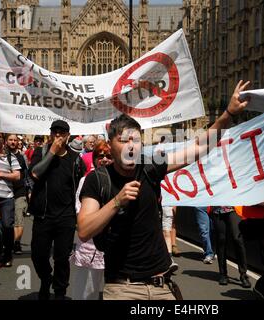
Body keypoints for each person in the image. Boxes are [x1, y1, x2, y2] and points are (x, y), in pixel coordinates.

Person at [78, 80, 251, 300]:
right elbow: (84, 230)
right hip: (123, 288)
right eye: (124, 140)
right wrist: (117, 202)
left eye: (136, 140)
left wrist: (228, 113)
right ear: (110, 144)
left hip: (161, 285)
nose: (131, 145)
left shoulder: (150, 167)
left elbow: (197, 147)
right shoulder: (98, 180)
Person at [29, 120, 85, 300]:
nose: (59, 135)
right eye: (55, 132)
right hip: (43, 216)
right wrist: (52, 151)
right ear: (51, 134)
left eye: (62, 132)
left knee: (62, 259)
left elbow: (80, 185)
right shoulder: (41, 152)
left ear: (68, 135)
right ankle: (46, 279)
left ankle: (60, 291)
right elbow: (35, 174)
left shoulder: (75, 159)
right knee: (38, 255)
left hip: (66, 217)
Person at [71, 141, 112, 300]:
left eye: (108, 156)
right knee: (86, 290)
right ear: (94, 159)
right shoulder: (85, 180)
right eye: (100, 156)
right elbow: (79, 207)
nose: (104, 159)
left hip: (113, 242)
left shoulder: (121, 182)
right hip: (90, 242)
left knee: (115, 287)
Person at [0, 132, 21, 269]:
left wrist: (0, 174)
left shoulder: (11, 157)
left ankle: (8, 254)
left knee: (7, 226)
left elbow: (17, 176)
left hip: (7, 198)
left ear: (3, 140)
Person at [209, 206, 251, 287]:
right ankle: (223, 274)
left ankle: (243, 275)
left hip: (234, 208)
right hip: (217, 209)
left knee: (237, 239)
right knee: (221, 239)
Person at [5, 134, 28, 255]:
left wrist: (29, 190)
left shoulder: (22, 156)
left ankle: (16, 243)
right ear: (6, 141)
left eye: (15, 140)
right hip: (5, 193)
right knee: (7, 221)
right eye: (11, 140)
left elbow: (26, 172)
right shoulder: (1, 155)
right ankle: (7, 243)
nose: (13, 142)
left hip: (20, 192)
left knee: (19, 219)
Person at [162, 206, 179, 272]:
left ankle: (169, 260)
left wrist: (173, 205)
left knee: (167, 232)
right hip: (152, 207)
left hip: (167, 207)